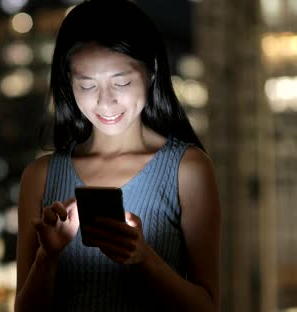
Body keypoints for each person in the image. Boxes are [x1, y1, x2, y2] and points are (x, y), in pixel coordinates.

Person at [14, 0, 221, 311]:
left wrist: (144, 258)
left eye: (121, 82)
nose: (105, 102)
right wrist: (48, 256)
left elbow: (207, 306)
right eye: (86, 85)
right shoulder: (39, 177)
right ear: (69, 84)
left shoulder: (187, 169)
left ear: (151, 71)